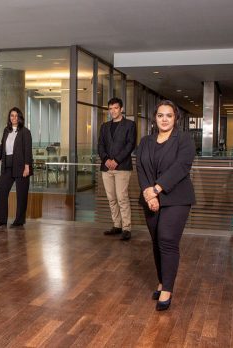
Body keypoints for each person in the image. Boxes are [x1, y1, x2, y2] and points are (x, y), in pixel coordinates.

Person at [135, 100, 195, 311]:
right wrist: (148, 193)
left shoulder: (184, 140)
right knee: (156, 241)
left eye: (169, 115)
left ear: (175, 118)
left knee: (167, 240)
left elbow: (181, 167)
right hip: (150, 197)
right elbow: (140, 167)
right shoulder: (145, 141)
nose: (164, 119)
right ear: (155, 118)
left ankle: (167, 289)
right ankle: (162, 281)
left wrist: (157, 189)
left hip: (177, 198)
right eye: (160, 115)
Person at [98, 97, 137, 240]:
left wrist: (116, 160)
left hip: (122, 167)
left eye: (115, 108)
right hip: (106, 167)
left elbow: (130, 144)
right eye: (110, 108)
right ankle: (117, 225)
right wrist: (106, 159)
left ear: (121, 109)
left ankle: (126, 228)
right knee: (111, 198)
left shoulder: (130, 125)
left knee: (122, 198)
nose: (113, 111)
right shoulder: (104, 126)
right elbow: (100, 145)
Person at [0, 107, 33, 229]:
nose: (13, 118)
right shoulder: (6, 131)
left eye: (16, 116)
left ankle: (19, 221)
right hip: (7, 165)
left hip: (21, 166)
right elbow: (2, 146)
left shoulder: (25, 132)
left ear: (20, 118)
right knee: (1, 189)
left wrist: (27, 167)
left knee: (21, 195)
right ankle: (0, 220)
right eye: (11, 116)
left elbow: (28, 151)